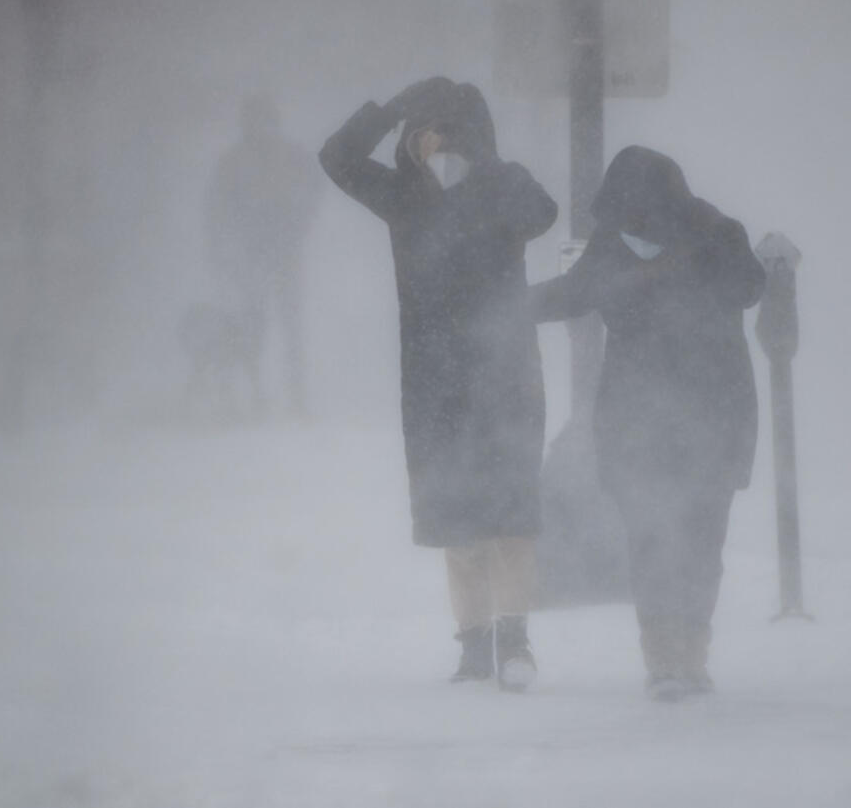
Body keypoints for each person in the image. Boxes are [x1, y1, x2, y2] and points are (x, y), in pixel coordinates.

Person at [319, 78, 557, 690]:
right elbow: (336, 158)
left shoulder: (503, 186)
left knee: (510, 517)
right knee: (458, 519)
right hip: (434, 378)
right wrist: (390, 108)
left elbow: (543, 212)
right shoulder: (403, 195)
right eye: (421, 131)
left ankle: (515, 640)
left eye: (447, 131)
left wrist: (487, 166)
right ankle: (475, 646)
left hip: (505, 373)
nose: (432, 144)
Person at [530, 146, 765, 701]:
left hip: (712, 416)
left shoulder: (716, 233)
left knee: (702, 541)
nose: (629, 228)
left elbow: (750, 288)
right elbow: (571, 294)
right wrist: (499, 305)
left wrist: (684, 262)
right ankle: (664, 657)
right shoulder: (613, 243)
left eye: (636, 215)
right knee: (650, 537)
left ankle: (692, 653)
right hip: (638, 421)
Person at [204, 95, 322, 416]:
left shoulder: (288, 158)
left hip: (280, 252)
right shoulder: (235, 162)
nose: (259, 128)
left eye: (263, 120)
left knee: (284, 326)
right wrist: (221, 250)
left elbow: (312, 193)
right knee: (252, 325)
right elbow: (216, 209)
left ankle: (293, 397)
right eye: (255, 121)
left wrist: (298, 224)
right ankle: (251, 396)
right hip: (252, 255)